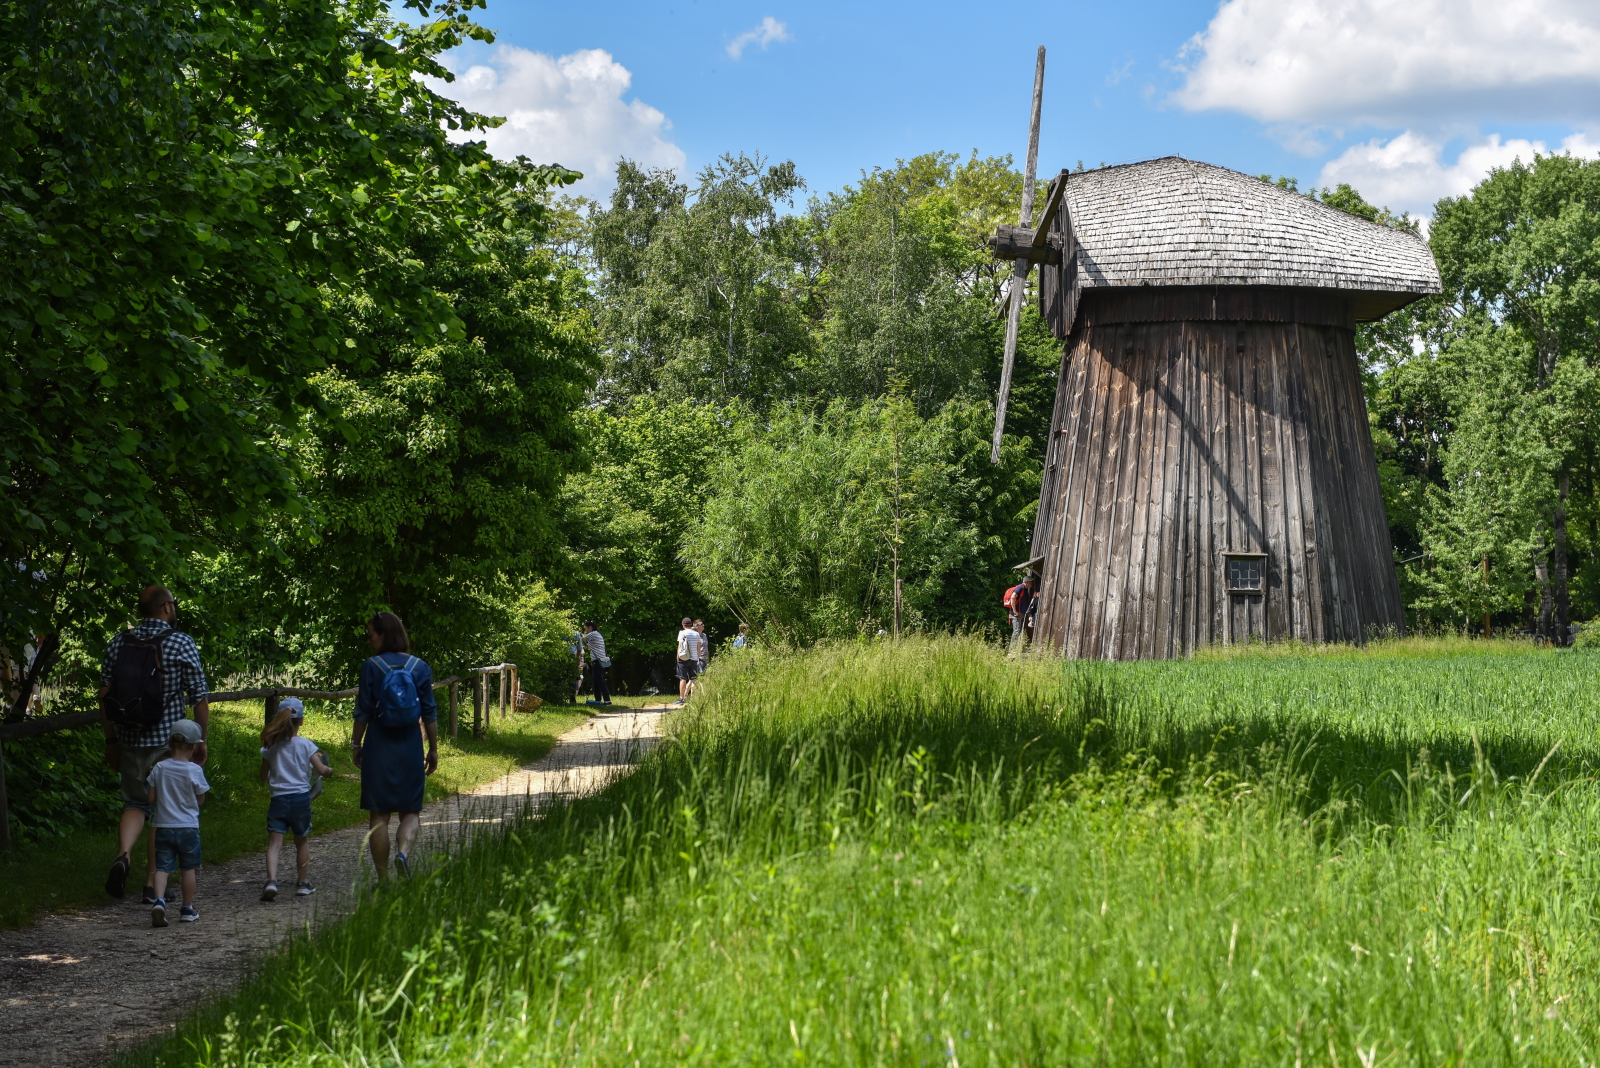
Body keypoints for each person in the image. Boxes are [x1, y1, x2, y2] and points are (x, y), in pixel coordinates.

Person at [99, 585, 210, 902]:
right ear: (165, 607)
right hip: (169, 743)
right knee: (161, 810)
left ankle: (123, 856)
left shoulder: (119, 641)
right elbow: (199, 699)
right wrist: (199, 741)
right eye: (173, 604)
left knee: (135, 803)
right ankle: (151, 885)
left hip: (129, 737)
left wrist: (111, 741)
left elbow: (104, 696)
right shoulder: (180, 641)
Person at [351, 612, 438, 881]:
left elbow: (363, 711)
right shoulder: (419, 667)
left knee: (379, 817)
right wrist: (433, 749)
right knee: (410, 811)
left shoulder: (371, 666)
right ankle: (403, 854)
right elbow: (430, 712)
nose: (369, 640)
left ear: (385, 634)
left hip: (379, 745)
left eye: (371, 634)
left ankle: (384, 880)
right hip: (410, 745)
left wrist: (356, 744)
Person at [258, 697, 333, 901]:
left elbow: (263, 776)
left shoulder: (270, 747)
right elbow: (321, 770)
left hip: (278, 800)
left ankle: (272, 881)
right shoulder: (306, 745)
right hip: (301, 800)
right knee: (301, 842)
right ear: (301, 721)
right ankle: (302, 884)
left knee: (274, 844)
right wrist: (328, 770)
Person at [145, 719, 209, 926]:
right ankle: (187, 909)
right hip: (188, 827)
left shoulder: (159, 767)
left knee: (162, 868)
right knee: (187, 869)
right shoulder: (195, 770)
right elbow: (200, 800)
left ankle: (159, 901)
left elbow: (151, 799)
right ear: (193, 746)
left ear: (170, 743)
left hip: (163, 826)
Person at [581, 621, 612, 707]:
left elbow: (582, 639)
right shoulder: (597, 634)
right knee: (596, 681)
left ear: (590, 627)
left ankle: (607, 700)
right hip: (601, 660)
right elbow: (588, 646)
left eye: (586, 628)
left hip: (598, 661)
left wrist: (579, 635)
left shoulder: (593, 633)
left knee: (599, 681)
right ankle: (598, 700)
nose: (586, 630)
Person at [674, 617, 701, 706]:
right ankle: (695, 699)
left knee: (682, 678)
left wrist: (678, 656)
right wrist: (698, 657)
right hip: (694, 659)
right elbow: (698, 648)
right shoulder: (697, 634)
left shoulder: (682, 633)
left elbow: (680, 646)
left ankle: (682, 698)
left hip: (684, 658)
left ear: (683, 625)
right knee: (693, 679)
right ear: (691, 625)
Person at [1008, 573, 1037, 652]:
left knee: (1019, 631)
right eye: (1031, 582)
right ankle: (1011, 651)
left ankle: (1016, 650)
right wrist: (1014, 611)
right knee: (1016, 631)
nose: (1032, 584)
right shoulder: (1021, 587)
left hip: (1020, 614)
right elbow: (1013, 597)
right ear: (1027, 582)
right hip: (1016, 614)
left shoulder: (1025, 589)